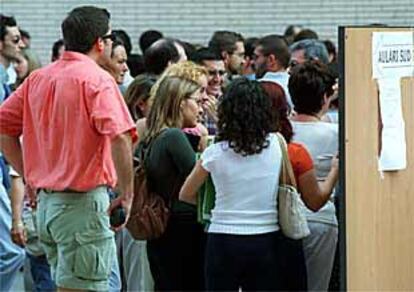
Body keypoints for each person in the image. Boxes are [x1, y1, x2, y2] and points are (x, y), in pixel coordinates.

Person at [0, 6, 137, 291]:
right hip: (82, 206)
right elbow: (121, 136)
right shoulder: (97, 80)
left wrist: (29, 175)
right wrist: (127, 194)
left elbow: (3, 128)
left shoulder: (38, 78)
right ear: (101, 42)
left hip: (47, 207)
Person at [180, 77, 285, 291]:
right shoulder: (277, 144)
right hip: (266, 235)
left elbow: (186, 194)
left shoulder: (214, 153)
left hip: (222, 237)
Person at [141, 74, 205, 291]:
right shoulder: (174, 137)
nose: (201, 108)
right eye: (197, 101)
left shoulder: (153, 136)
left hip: (162, 227)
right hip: (183, 227)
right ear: (180, 103)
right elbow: (198, 178)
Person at [289, 60, 338, 291]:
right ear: (326, 97)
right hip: (322, 218)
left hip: (283, 217)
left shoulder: (281, 132)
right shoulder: (338, 133)